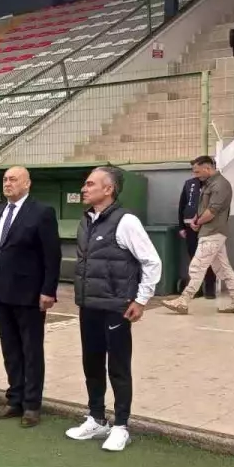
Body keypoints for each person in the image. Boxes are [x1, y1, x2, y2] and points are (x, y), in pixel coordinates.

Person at [65, 167, 162, 452]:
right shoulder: (86, 220)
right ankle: (96, 418)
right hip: (89, 305)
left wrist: (141, 300)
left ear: (109, 190)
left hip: (116, 308)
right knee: (92, 363)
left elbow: (152, 262)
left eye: (90, 184)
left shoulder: (126, 221)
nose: (84, 188)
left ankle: (121, 425)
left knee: (118, 367)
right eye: (85, 184)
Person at [0, 167, 62, 427]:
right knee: (10, 350)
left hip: (30, 295)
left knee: (31, 350)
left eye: (13, 179)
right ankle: (14, 399)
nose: (8, 183)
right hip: (1, 293)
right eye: (5, 179)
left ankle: (31, 405)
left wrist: (48, 290)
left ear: (27, 184)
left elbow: (52, 255)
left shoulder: (41, 212)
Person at [163, 156, 234, 315]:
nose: (195, 175)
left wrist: (198, 222)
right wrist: (197, 219)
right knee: (223, 269)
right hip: (211, 232)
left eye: (197, 171)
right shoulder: (210, 183)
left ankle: (183, 300)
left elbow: (212, 211)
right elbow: (203, 207)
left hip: (212, 232)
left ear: (208, 168)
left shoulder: (220, 185)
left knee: (197, 266)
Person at [177, 170, 216, 299]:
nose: (195, 173)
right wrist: (182, 226)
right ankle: (196, 288)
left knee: (207, 257)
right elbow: (182, 204)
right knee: (194, 258)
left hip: (207, 227)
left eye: (198, 169)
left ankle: (210, 287)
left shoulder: (212, 184)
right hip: (189, 227)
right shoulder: (189, 184)